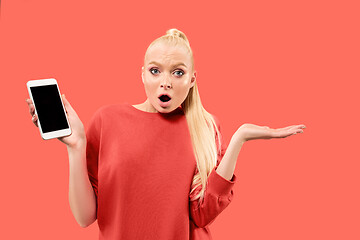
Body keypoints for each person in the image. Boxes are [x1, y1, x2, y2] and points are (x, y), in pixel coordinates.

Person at [26, 28, 306, 240]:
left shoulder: (206, 128)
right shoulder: (107, 120)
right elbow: (85, 217)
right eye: (156, 71)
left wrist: (239, 138)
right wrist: (76, 146)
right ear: (143, 75)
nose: (166, 82)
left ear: (192, 79)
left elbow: (202, 213)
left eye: (178, 73)